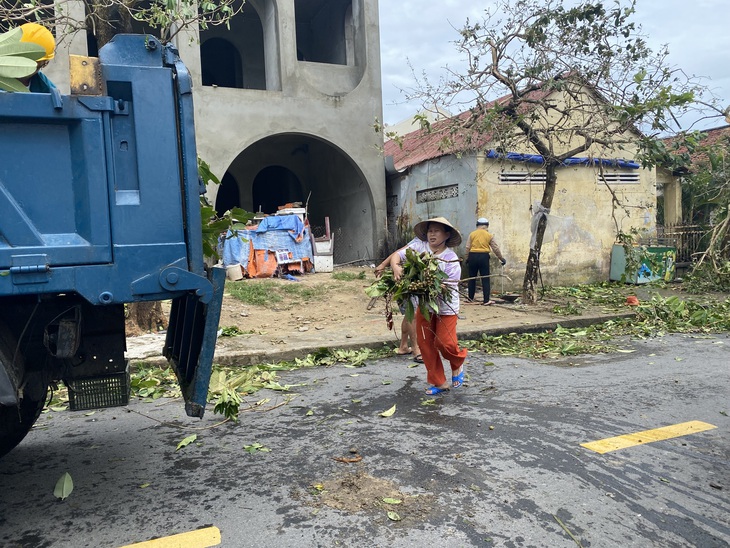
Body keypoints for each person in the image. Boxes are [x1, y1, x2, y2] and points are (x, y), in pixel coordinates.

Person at [391, 217, 467, 395]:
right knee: (425, 345)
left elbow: (445, 287)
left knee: (445, 343)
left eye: (437, 231)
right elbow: (397, 255)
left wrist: (425, 285)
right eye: (430, 231)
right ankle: (439, 382)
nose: (432, 234)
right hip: (425, 307)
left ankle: (457, 363)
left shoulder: (451, 259)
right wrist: (396, 267)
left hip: (446, 307)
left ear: (447, 235)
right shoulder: (419, 248)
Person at [374, 246, 421, 360]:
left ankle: (403, 346)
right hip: (404, 280)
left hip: (416, 282)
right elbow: (398, 253)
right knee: (412, 314)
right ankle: (416, 348)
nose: (432, 233)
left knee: (410, 314)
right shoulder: (419, 242)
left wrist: (384, 264)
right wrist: (389, 265)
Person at [464, 217, 506, 305]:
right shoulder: (489, 235)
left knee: (472, 278)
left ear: (477, 225)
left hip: (473, 256)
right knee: (485, 278)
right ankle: (486, 300)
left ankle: (470, 298)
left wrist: (467, 258)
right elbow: (495, 248)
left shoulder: (472, 234)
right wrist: (501, 258)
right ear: (487, 226)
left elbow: (468, 247)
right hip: (484, 257)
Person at [18, 23, 56, 92]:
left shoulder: (47, 90)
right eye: (22, 56)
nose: (25, 63)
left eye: (32, 60)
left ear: (45, 63)